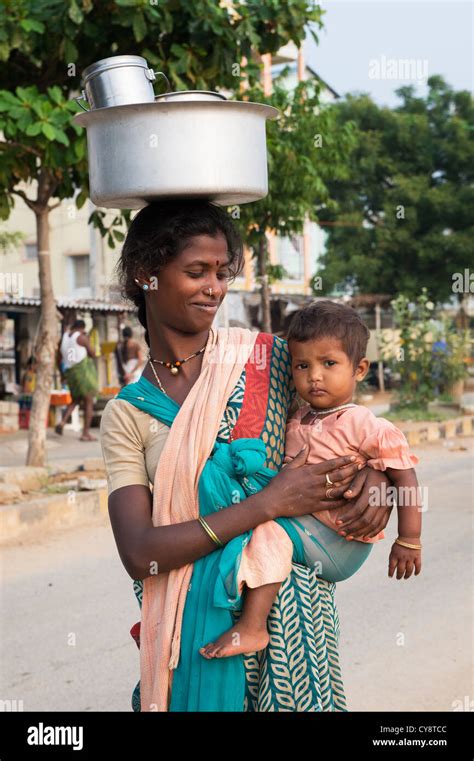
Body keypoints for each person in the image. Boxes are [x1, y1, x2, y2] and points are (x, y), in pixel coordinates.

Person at [99, 199, 395, 713]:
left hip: (295, 627)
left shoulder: (269, 359)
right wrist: (266, 504)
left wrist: (378, 478)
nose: (214, 288)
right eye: (196, 272)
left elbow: (351, 428)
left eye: (222, 272)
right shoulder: (127, 415)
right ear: (148, 275)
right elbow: (140, 552)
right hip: (190, 631)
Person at [199, 301, 423, 660]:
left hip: (341, 540)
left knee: (265, 530)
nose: (314, 375)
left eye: (328, 364)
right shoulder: (296, 418)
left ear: (360, 369)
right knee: (256, 521)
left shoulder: (365, 424)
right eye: (303, 365)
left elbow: (405, 478)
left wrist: (409, 539)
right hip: (311, 528)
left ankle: (253, 628)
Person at [55, 319, 99, 441]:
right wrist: (88, 340)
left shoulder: (63, 338)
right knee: (89, 400)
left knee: (76, 399)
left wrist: (62, 374)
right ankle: (85, 433)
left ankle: (62, 422)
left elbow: (58, 359)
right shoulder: (81, 338)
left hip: (69, 373)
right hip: (82, 372)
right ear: (82, 328)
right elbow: (93, 353)